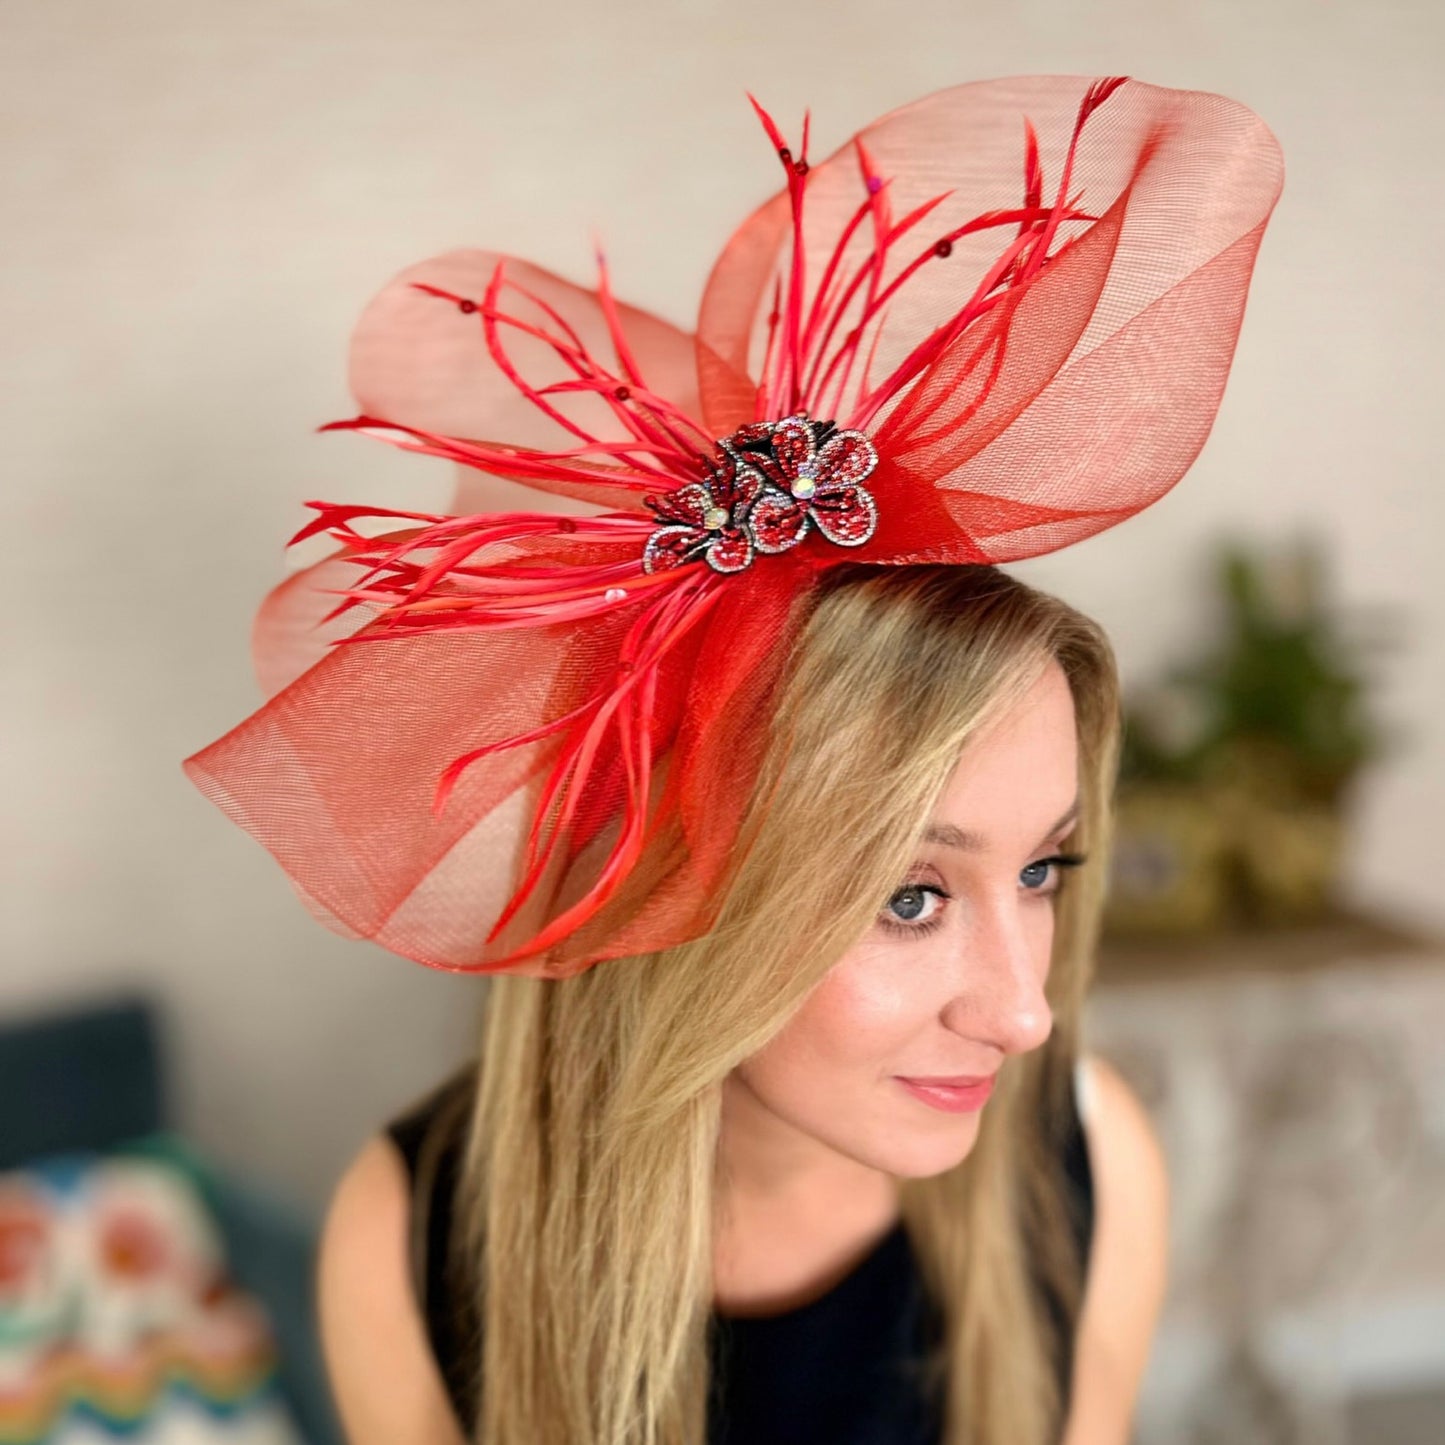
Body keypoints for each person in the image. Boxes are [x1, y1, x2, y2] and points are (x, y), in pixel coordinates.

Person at [184, 75, 1282, 1445]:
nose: (1023, 1013)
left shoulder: (1088, 1159)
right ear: (670, 873)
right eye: (909, 895)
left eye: (1045, 867)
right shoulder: (412, 1233)